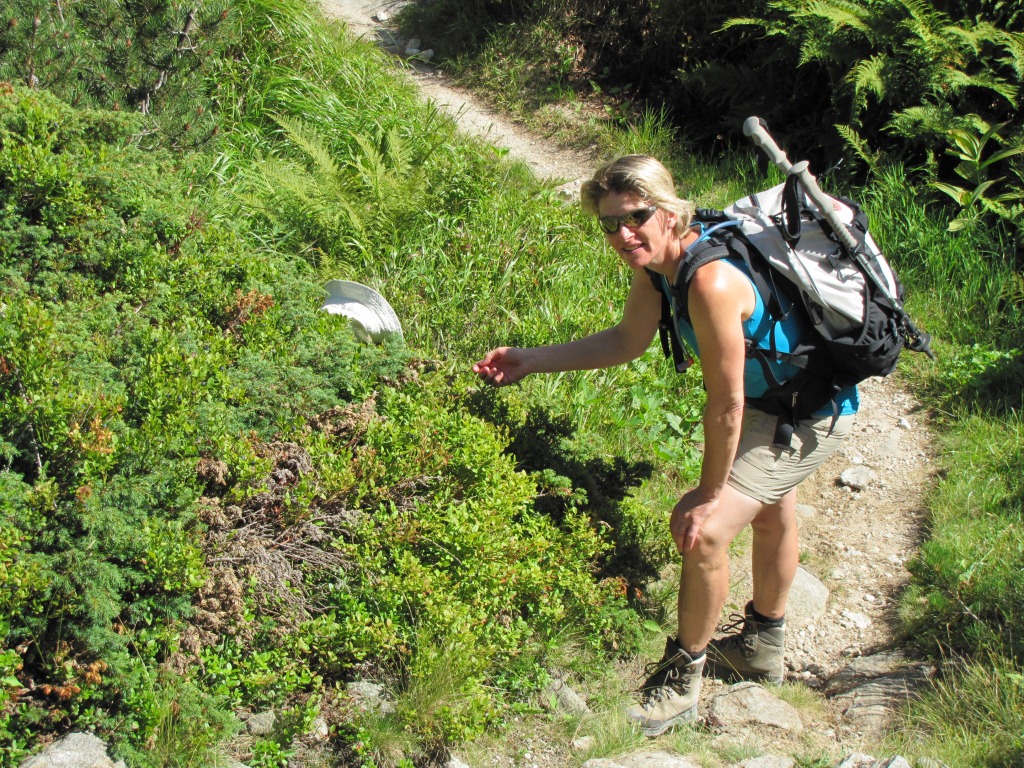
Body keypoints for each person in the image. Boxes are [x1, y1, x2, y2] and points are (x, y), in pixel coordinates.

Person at [473, 155, 858, 736]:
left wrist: (708, 493)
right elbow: (630, 339)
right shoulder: (659, 266)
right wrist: (532, 360)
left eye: (635, 217)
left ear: (669, 209)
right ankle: (763, 647)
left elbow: (726, 405)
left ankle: (682, 683)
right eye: (608, 224)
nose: (622, 235)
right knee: (771, 511)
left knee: (704, 532)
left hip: (809, 412)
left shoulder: (710, 281)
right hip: (775, 401)